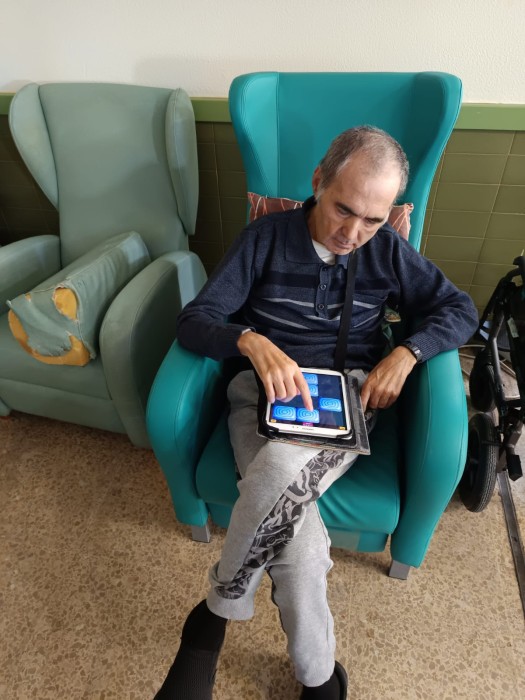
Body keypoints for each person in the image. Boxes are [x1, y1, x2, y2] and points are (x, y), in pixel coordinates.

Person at [154, 126, 478, 700]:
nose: (353, 234)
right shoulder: (264, 239)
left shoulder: (386, 250)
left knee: (280, 472)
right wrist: (248, 340)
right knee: (299, 545)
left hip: (345, 401)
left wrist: (408, 352)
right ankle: (319, 678)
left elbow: (458, 309)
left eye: (373, 220)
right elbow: (194, 320)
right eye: (342, 209)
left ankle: (211, 620)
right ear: (318, 182)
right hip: (261, 398)